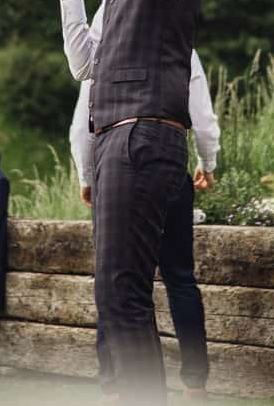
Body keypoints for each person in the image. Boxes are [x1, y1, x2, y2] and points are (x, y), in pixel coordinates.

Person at [58, 0, 203, 404]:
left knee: (121, 292)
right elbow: (84, 65)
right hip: (120, 140)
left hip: (143, 137)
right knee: (118, 291)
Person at [69, 50, 220, 399]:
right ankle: (195, 384)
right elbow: (201, 110)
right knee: (180, 277)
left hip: (119, 167)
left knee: (116, 277)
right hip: (170, 165)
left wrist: (87, 176)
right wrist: (206, 159)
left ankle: (112, 385)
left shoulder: (103, 46)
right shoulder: (183, 46)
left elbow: (83, 122)